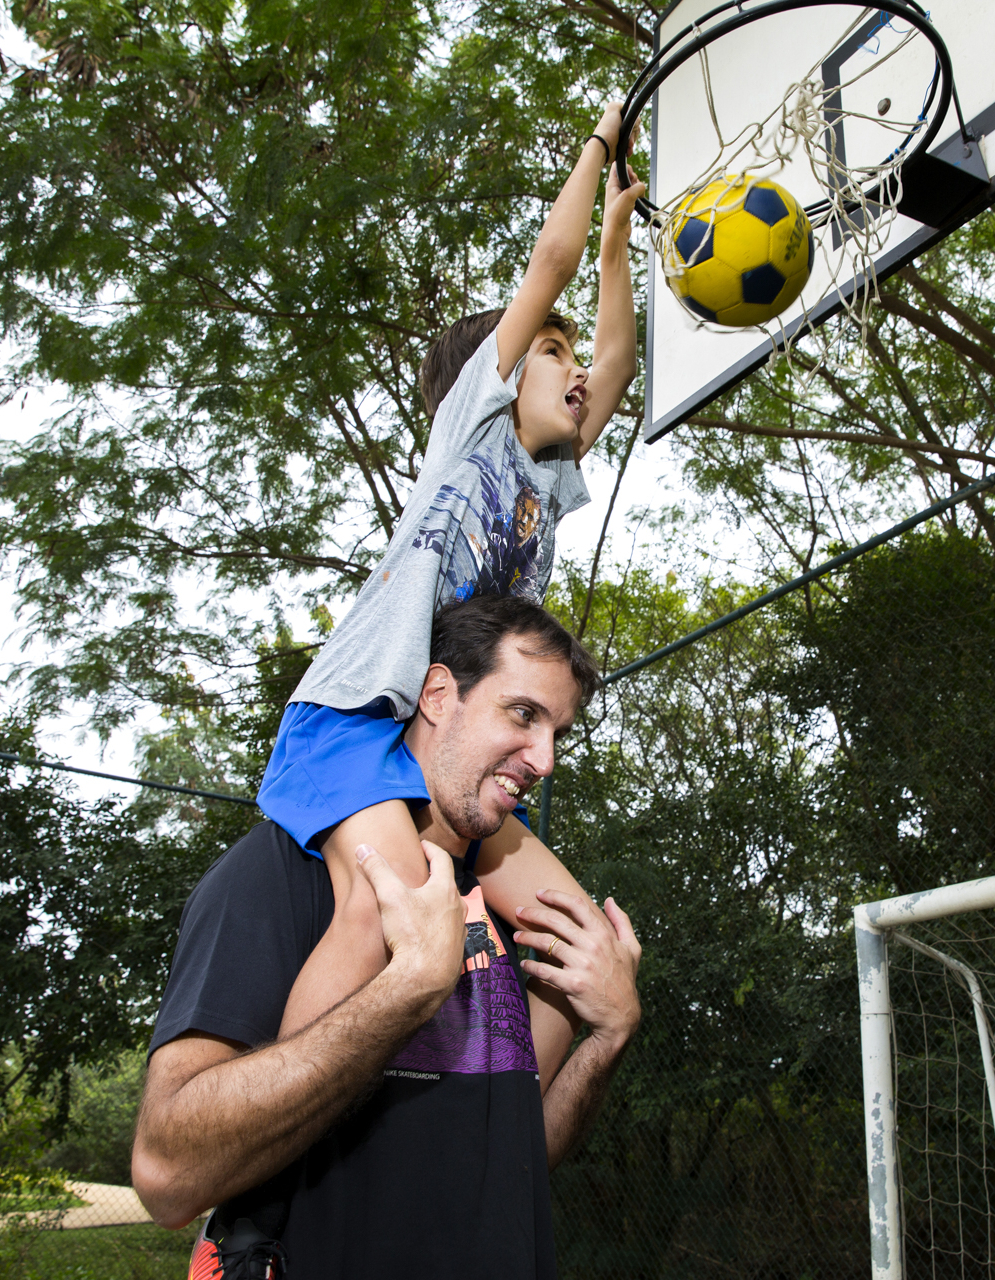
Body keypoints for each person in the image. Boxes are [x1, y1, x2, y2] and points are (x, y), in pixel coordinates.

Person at [255, 102, 644, 1065]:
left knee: (579, 949)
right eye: (549, 354)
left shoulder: (546, 484)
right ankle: (262, 1168)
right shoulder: (471, 430)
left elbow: (620, 362)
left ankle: (496, 1149)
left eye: (565, 352)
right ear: (499, 372)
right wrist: (598, 141)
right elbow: (543, 264)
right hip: (354, 719)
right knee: (385, 916)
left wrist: (617, 251)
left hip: (437, 743)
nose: (573, 370)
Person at [133, 596, 642, 1279]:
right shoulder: (284, 872)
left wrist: (607, 1036)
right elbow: (169, 1174)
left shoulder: (502, 909)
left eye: (558, 731)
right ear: (437, 694)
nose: (544, 758)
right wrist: (405, 990)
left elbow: (515, 1156)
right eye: (522, 714)